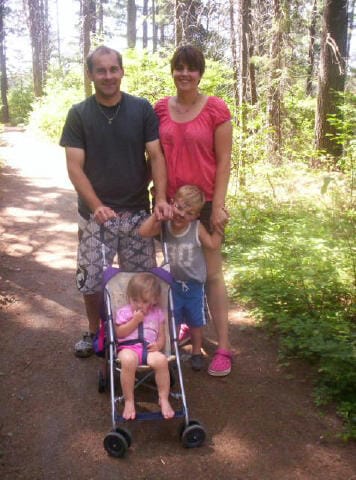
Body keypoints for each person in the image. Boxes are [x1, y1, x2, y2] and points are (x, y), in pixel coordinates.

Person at [60, 46, 170, 357]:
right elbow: (74, 167)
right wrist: (96, 205)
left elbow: (156, 155)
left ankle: (141, 335)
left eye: (113, 69)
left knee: (141, 282)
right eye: (101, 70)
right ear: (91, 74)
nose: (108, 76)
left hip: (137, 215)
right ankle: (95, 332)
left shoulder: (141, 109)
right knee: (92, 280)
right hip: (96, 217)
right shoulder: (79, 114)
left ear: (121, 71)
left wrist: (159, 197)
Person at [154, 45, 233, 376]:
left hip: (204, 206)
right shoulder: (158, 109)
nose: (184, 73)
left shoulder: (215, 109)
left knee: (212, 274)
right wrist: (159, 199)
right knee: (180, 271)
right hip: (172, 206)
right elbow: (154, 157)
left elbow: (225, 160)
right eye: (179, 67)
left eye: (191, 68)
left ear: (200, 73)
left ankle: (225, 348)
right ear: (172, 70)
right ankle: (190, 325)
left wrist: (218, 205)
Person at [140, 185, 223, 372]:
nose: (182, 214)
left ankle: (196, 352)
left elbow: (213, 243)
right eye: (179, 207)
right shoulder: (166, 225)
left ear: (196, 216)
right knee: (172, 317)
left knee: (195, 321)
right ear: (172, 204)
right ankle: (171, 349)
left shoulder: (196, 228)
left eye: (190, 212)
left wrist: (220, 227)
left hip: (194, 285)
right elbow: (143, 232)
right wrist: (157, 215)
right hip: (173, 284)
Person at [115, 272, 175, 420]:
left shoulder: (158, 313)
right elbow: (119, 333)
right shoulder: (124, 312)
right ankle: (129, 400)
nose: (139, 305)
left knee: (161, 361)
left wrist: (159, 345)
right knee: (128, 361)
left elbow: (161, 335)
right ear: (129, 297)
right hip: (128, 348)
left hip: (149, 349)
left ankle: (163, 398)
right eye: (135, 300)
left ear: (154, 300)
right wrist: (134, 321)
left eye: (144, 301)